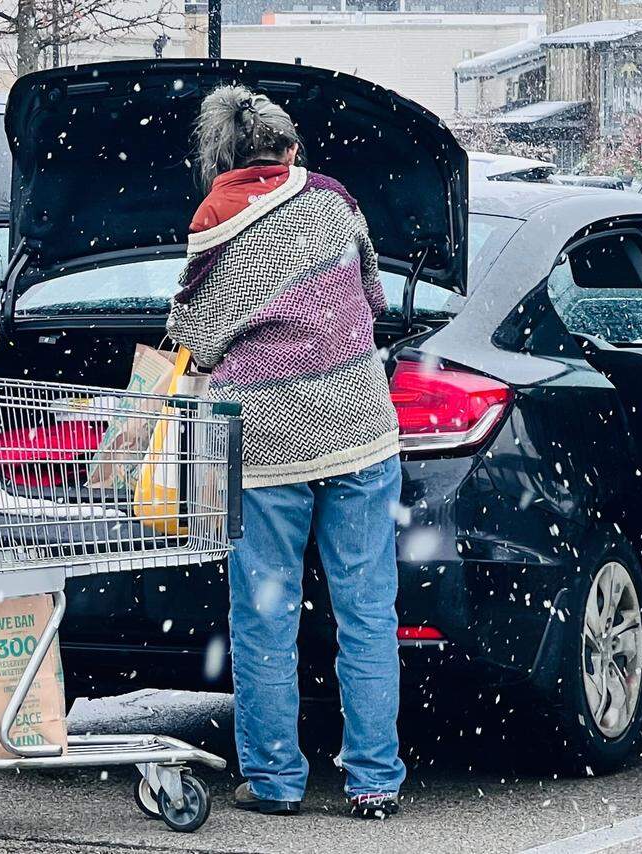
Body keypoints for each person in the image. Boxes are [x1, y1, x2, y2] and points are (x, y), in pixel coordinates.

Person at [166, 84, 405, 820]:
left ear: (225, 159)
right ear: (290, 149)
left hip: (267, 442)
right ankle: (373, 779)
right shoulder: (335, 200)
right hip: (360, 426)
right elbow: (372, 298)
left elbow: (195, 336)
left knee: (267, 613)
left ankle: (274, 779)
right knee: (366, 609)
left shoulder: (213, 219)